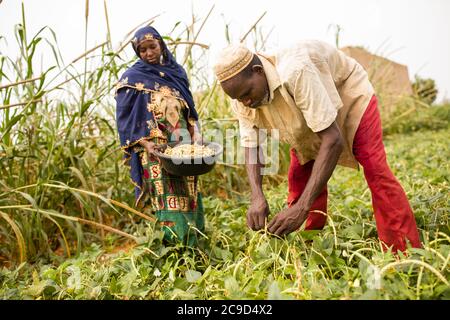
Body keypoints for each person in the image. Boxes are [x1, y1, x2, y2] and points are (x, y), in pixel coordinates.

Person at [212, 41, 421, 252]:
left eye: (247, 93)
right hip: (309, 113)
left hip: (348, 95)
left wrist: (302, 207)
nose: (245, 102)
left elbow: (332, 140)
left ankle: (402, 250)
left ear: (258, 71)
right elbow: (252, 146)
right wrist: (257, 196)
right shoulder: (241, 98)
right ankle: (310, 242)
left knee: (375, 168)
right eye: (239, 98)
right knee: (299, 176)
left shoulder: (296, 70)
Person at [115, 26, 204, 246]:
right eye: (142, 50)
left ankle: (196, 245)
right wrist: (145, 143)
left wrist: (196, 133)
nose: (149, 53)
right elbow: (124, 119)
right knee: (169, 198)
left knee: (190, 193)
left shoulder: (176, 74)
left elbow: (189, 110)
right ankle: (176, 250)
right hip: (155, 150)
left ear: (161, 45)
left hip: (184, 146)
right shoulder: (132, 78)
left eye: (152, 47)